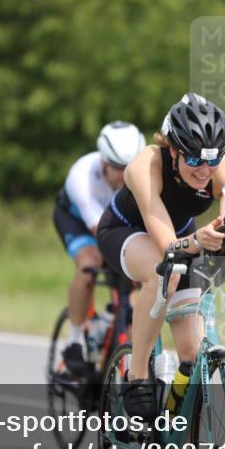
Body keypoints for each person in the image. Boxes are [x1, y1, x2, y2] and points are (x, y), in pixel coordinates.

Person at [95, 93, 225, 449]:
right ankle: (137, 378)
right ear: (172, 150)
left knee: (193, 359)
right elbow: (167, 241)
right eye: (193, 160)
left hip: (180, 243)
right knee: (162, 269)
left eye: (212, 159)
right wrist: (196, 241)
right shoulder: (145, 165)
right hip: (127, 233)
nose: (204, 170)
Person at [54, 121, 145, 374]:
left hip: (117, 224)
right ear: (103, 161)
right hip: (78, 221)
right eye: (118, 169)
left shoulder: (143, 174)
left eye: (129, 169)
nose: (123, 176)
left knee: (140, 274)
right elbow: (100, 231)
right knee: (91, 263)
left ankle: (118, 332)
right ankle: (74, 340)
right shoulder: (81, 174)